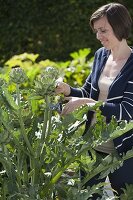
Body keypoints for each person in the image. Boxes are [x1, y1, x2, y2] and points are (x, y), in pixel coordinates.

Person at [55, 2, 133, 199]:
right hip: (92, 146)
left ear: (120, 27)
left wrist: (88, 103)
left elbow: (127, 111)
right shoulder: (100, 56)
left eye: (103, 30)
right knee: (87, 196)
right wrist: (68, 90)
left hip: (124, 152)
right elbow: (88, 92)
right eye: (96, 31)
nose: (98, 36)